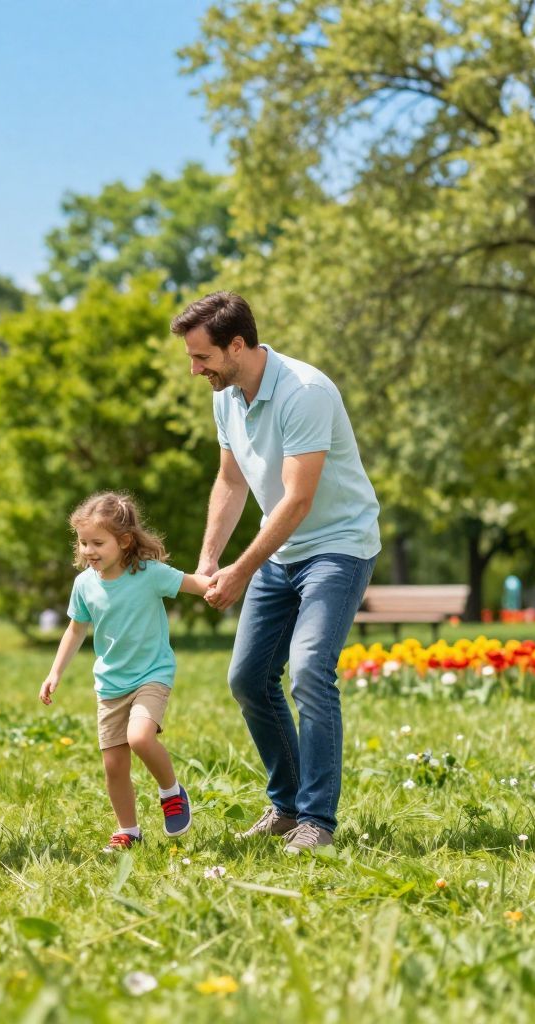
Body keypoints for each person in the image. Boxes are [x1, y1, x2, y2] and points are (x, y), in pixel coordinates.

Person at [173, 291, 380, 854]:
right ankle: (286, 808)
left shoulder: (304, 393)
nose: (195, 370)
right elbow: (231, 481)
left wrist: (241, 570)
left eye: (201, 357)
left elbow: (297, 501)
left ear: (237, 345)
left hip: (337, 546)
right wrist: (211, 559)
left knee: (310, 670)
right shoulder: (228, 396)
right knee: (247, 678)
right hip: (283, 551)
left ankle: (317, 820)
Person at [38, 492, 211, 851]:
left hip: (151, 674)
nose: (88, 550)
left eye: (97, 542)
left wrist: (226, 581)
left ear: (125, 541)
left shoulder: (149, 574)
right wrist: (55, 672)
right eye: (83, 542)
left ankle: (172, 792)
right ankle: (128, 830)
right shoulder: (84, 584)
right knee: (114, 765)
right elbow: (75, 629)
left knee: (140, 737)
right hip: (110, 684)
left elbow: (195, 584)